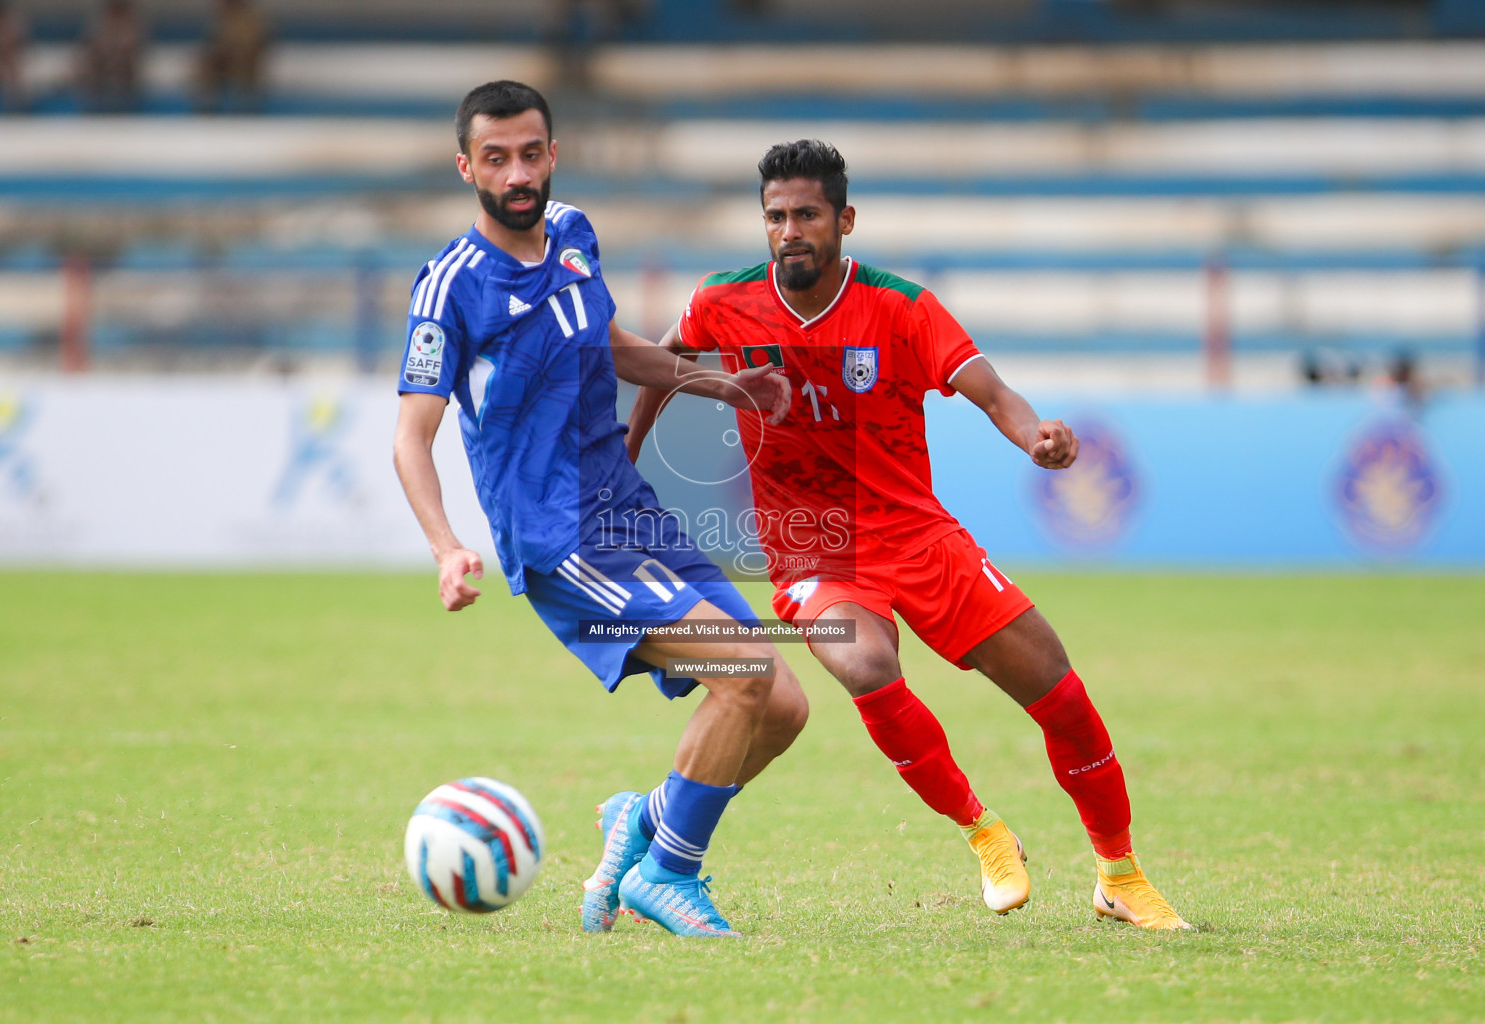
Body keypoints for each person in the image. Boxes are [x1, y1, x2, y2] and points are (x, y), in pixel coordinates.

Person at [626, 139, 1191, 930]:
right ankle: (984, 831)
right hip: (810, 548)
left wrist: (1035, 438)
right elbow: (659, 365)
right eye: (776, 217)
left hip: (918, 537)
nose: (790, 230)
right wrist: (625, 462)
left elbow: (992, 393)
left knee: (1059, 695)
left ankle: (1118, 874)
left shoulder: (901, 307)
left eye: (807, 215)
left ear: (844, 220)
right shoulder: (723, 300)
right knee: (864, 662)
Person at [392, 81, 809, 939]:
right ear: (467, 166)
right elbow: (411, 436)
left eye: (531, 153)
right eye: (497, 158)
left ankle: (644, 820)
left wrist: (722, 384)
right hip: (560, 534)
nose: (517, 173)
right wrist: (445, 546)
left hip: (628, 510)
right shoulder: (451, 289)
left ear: (553, 153)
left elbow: (612, 346)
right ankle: (666, 876)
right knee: (744, 673)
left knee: (783, 706)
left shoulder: (575, 234)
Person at [195, 0, 268, 113]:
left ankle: (245, 106)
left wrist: (232, 53)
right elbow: (216, 44)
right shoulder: (222, 20)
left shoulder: (250, 19)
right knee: (206, 64)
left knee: (241, 65)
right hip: (224, 62)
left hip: (244, 62)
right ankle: (208, 105)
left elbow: (251, 45)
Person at [76, 0, 145, 113]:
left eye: (121, 26)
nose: (116, 32)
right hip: (94, 107)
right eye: (112, 24)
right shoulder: (91, 52)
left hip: (130, 108)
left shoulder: (134, 50)